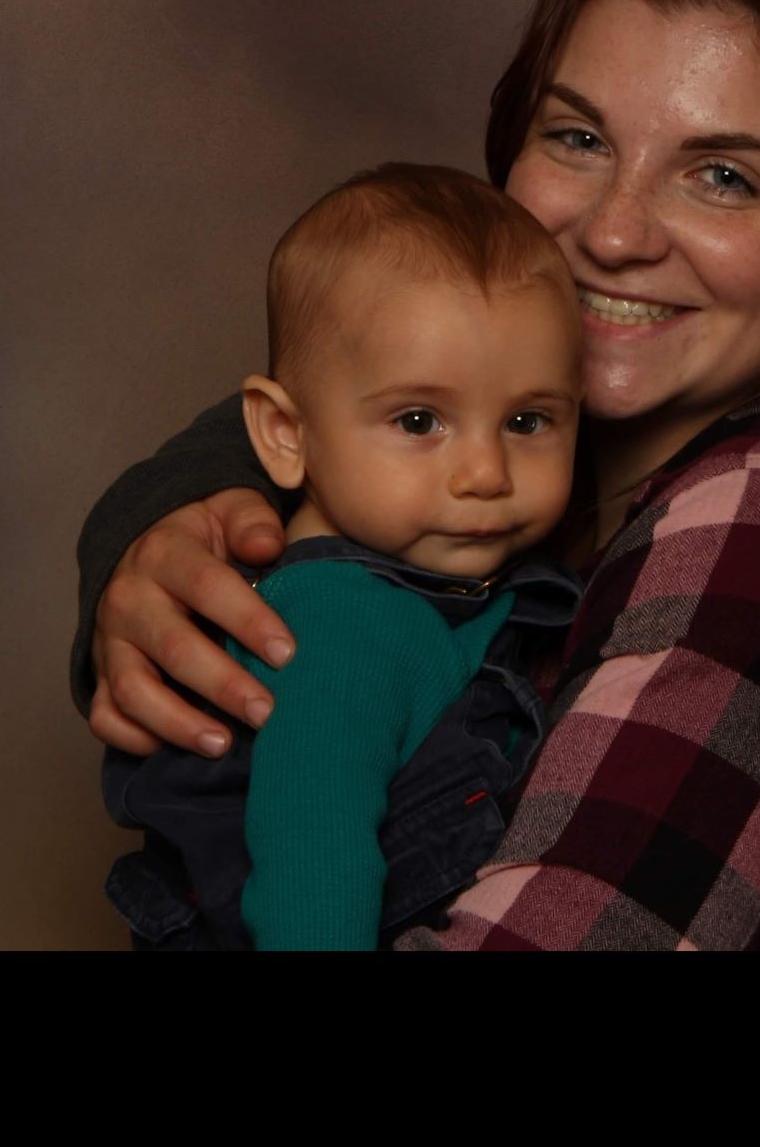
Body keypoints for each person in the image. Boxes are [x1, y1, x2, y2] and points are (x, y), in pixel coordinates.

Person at [75, 0, 760, 949]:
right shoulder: (517, 499)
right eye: (577, 139)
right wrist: (151, 527)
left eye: (720, 176)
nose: (613, 233)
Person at [100, 163, 588, 950]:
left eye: (529, 422)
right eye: (420, 420)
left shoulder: (454, 581)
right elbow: (312, 864)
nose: (487, 475)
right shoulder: (339, 623)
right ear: (285, 435)